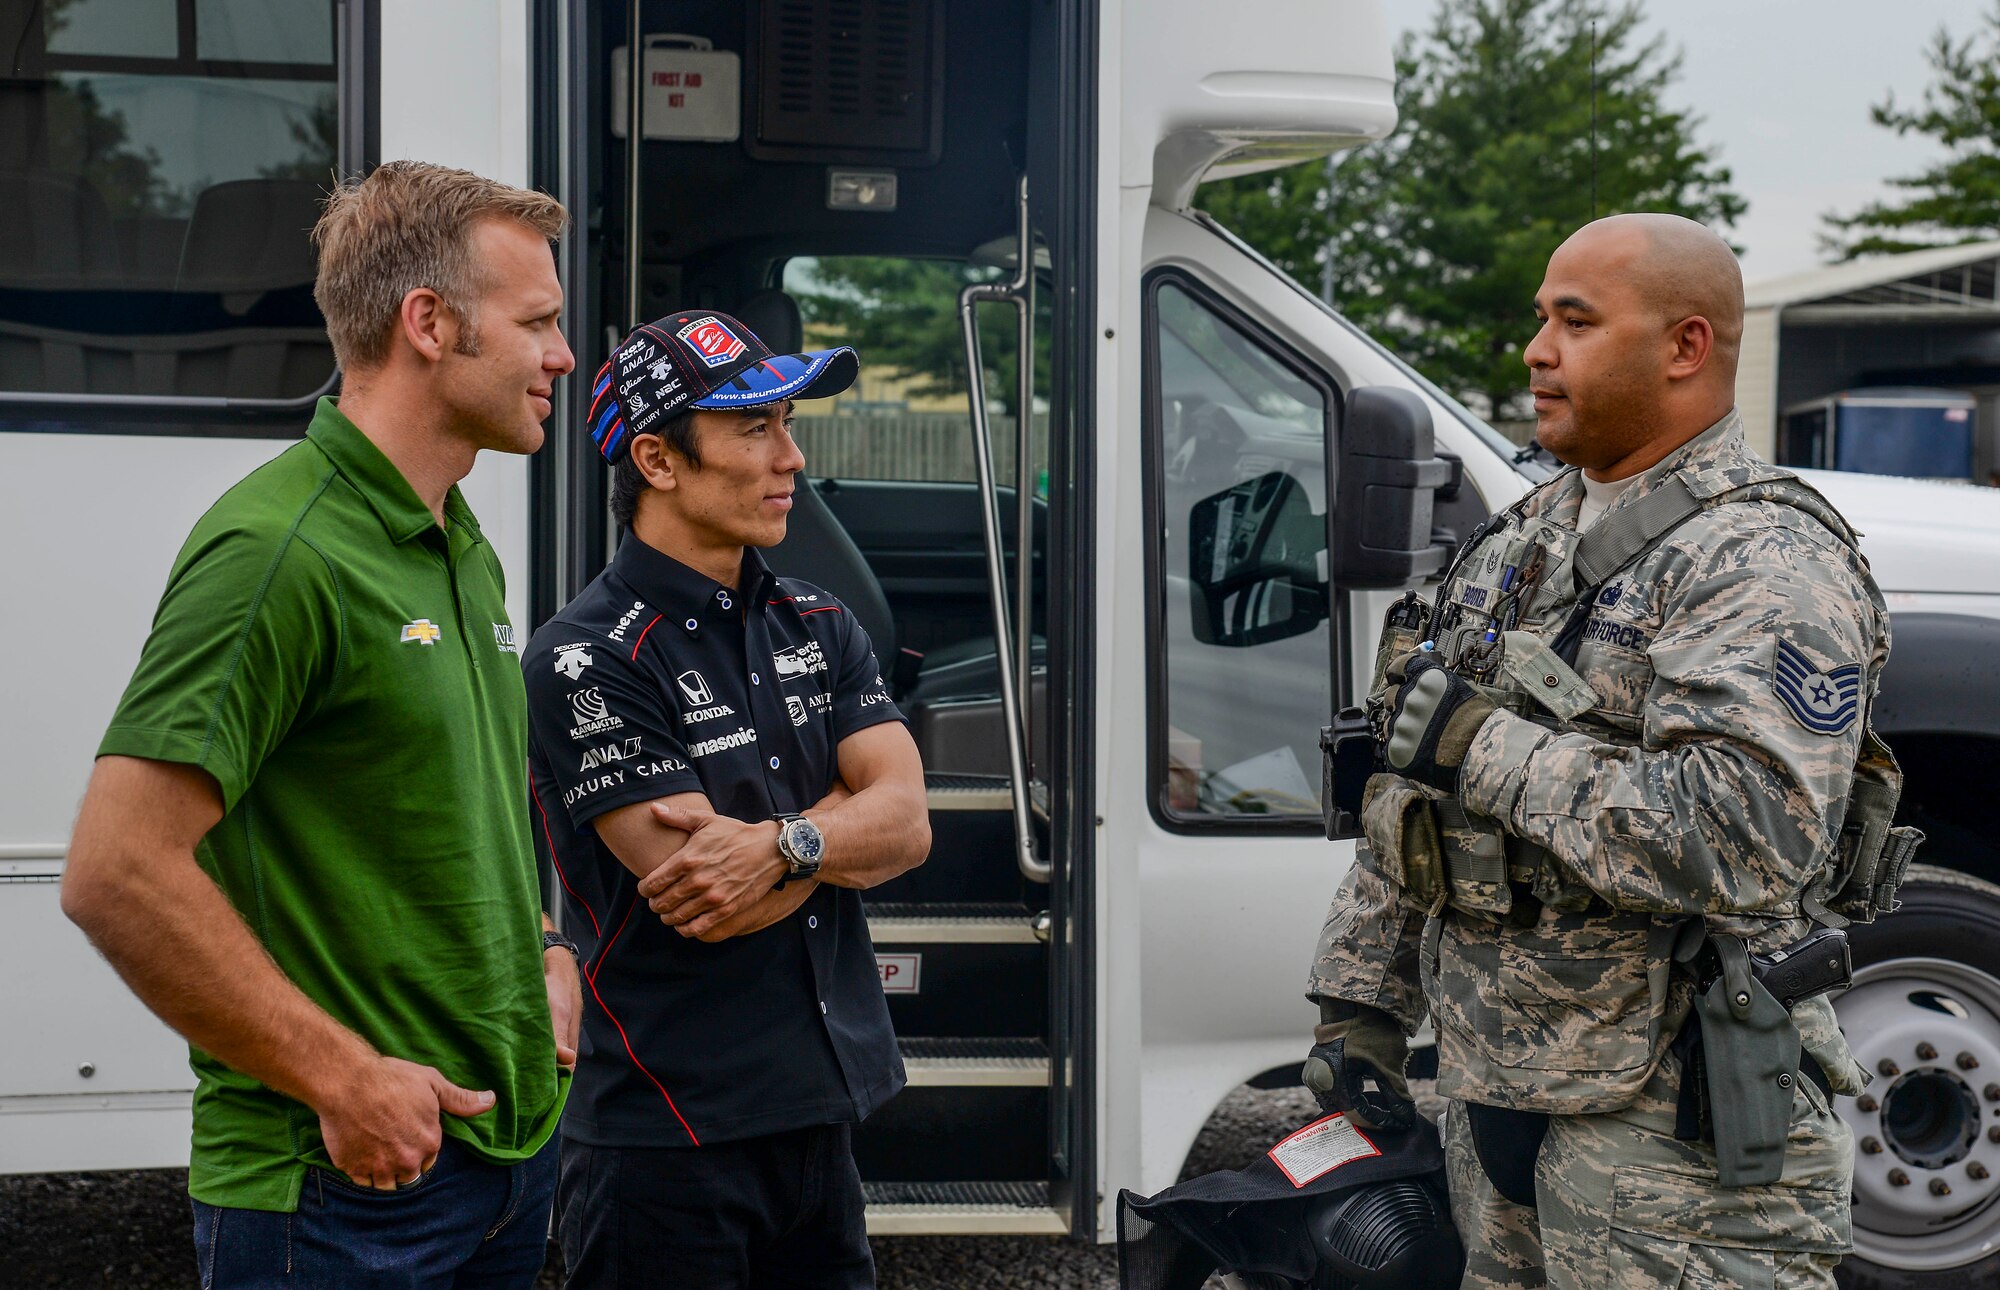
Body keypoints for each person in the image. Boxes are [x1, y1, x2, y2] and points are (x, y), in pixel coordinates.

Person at [1306, 214, 1891, 1289]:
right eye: (1540, 319)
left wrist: (1487, 746)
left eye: (1574, 321)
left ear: (1683, 347)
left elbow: (1740, 835)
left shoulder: (1762, 560)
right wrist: (1360, 1005)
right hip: (1499, 1094)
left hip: (1679, 1136)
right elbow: (1406, 783)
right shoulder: (1519, 539)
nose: (1535, 350)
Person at [61, 161, 581, 1288]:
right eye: (538, 322)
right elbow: (116, 872)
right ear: (429, 323)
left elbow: (451, 808)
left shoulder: (458, 540)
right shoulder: (276, 550)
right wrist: (344, 1079)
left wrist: (544, 951)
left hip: (497, 1161)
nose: (563, 355)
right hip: (344, 1194)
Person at [525, 311, 931, 1288]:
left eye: (787, 424)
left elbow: (908, 824)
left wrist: (787, 840)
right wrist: (842, 818)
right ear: (658, 460)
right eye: (755, 429)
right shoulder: (585, 657)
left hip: (817, 1130)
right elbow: (705, 895)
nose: (790, 458)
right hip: (662, 1147)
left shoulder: (820, 622)